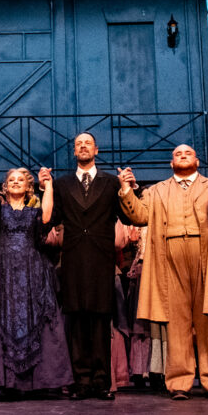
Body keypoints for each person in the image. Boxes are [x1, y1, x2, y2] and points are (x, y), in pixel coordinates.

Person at [117, 144, 208, 400]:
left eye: (188, 153)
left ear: (198, 161)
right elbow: (139, 216)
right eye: (177, 154)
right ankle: (179, 382)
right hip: (169, 257)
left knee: (207, 320)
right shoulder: (157, 190)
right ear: (171, 163)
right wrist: (126, 190)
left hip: (204, 255)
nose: (182, 155)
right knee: (177, 322)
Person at [0, 164, 73, 394]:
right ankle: (8, 381)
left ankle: (37, 382)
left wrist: (48, 186)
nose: (16, 182)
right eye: (11, 180)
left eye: (21, 179)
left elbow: (47, 216)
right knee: (4, 319)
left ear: (28, 187)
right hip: (2, 270)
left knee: (34, 318)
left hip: (31, 270)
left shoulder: (33, 213)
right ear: (5, 187)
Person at [44, 132, 127, 400]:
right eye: (78, 144)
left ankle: (102, 381)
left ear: (96, 150)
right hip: (74, 259)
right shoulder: (62, 183)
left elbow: (127, 216)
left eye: (87, 143)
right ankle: (81, 381)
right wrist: (46, 188)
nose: (82, 146)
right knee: (77, 321)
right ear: (74, 151)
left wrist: (127, 189)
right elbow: (50, 218)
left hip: (101, 259)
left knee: (101, 320)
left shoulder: (111, 182)